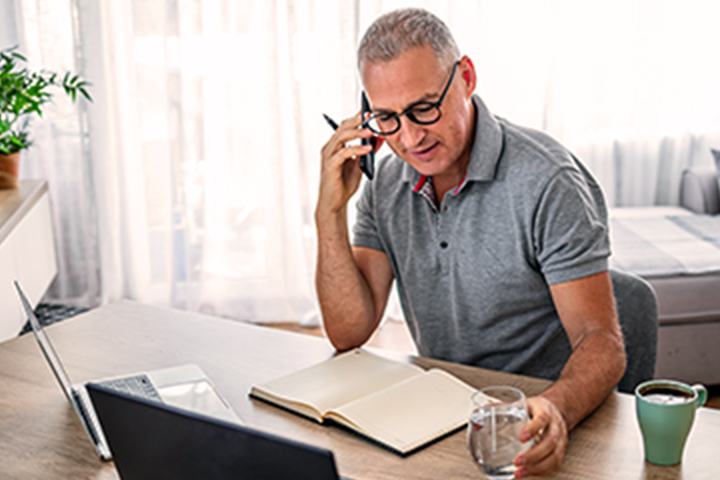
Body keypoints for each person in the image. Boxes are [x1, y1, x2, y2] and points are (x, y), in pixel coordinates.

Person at [315, 8, 625, 477]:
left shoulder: (547, 181)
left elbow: (602, 341)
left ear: (466, 77)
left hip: (536, 424)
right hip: (441, 421)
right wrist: (329, 213)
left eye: (424, 107)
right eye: (386, 118)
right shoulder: (385, 185)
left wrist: (556, 409)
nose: (410, 137)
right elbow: (349, 331)